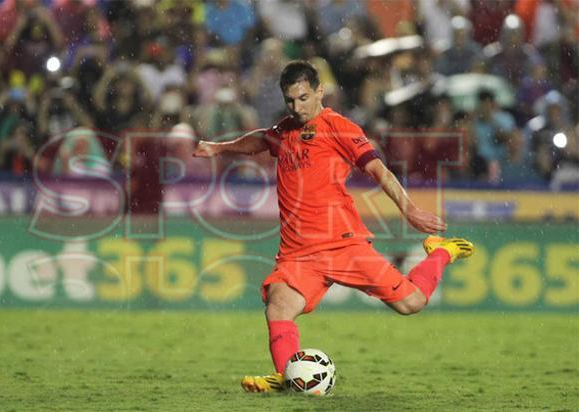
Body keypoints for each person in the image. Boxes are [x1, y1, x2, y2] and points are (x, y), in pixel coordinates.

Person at [192, 61, 474, 393]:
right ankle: (288, 377)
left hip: (343, 244)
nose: (297, 108)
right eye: (290, 101)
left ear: (320, 91)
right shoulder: (285, 130)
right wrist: (221, 148)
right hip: (298, 254)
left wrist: (409, 209)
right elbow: (262, 140)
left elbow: (379, 170)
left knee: (411, 304)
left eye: (303, 98)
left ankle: (440, 253)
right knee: (278, 307)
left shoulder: (338, 127)